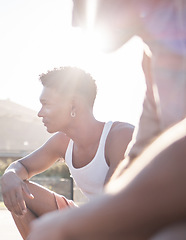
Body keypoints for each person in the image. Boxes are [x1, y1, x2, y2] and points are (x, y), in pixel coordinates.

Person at [28, 1, 186, 239]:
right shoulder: (152, 57)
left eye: (80, 3)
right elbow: (138, 157)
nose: (74, 20)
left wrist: (77, 223)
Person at [0, 66, 134, 239]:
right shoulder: (62, 142)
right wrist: (10, 175)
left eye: (46, 104)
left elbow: (110, 206)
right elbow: (21, 166)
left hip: (127, 227)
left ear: (73, 104)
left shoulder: (120, 136)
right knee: (18, 192)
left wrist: (54, 227)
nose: (40, 113)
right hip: (94, 222)